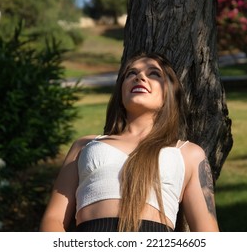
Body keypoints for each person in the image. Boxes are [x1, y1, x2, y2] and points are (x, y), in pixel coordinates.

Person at [39, 52, 219, 232]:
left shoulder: (188, 153)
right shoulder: (84, 145)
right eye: (131, 73)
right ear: (121, 90)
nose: (139, 76)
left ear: (169, 92)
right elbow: (53, 219)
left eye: (154, 74)